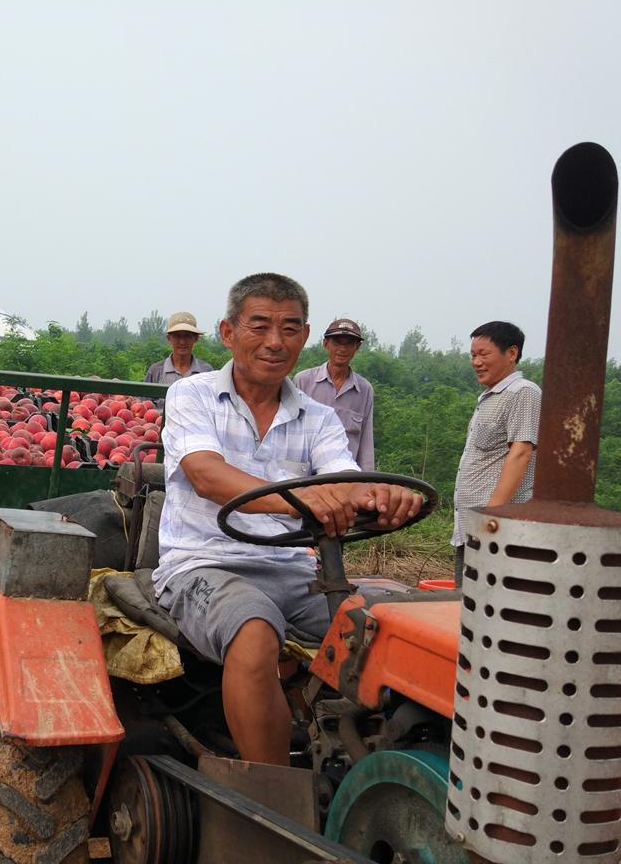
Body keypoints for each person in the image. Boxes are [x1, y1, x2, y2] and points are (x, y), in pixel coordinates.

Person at [152, 273, 423, 765]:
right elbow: (207, 475)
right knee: (255, 629)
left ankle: (385, 766)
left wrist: (381, 495)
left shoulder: (317, 417)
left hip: (296, 572)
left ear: (305, 335)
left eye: (290, 328)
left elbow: (343, 477)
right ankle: (272, 801)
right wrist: (304, 501)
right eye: (260, 326)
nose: (275, 342)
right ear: (229, 332)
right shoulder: (190, 397)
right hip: (203, 564)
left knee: (397, 628)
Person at [452, 321, 541, 587]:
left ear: (511, 353)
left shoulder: (523, 392)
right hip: (470, 530)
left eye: (484, 354)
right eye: (473, 355)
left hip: (496, 533)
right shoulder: (490, 397)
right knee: (464, 609)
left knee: (487, 609)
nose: (476, 362)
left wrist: (491, 516)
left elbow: (521, 453)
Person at [293, 318, 375, 470]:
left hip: (346, 479)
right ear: (325, 344)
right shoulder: (303, 381)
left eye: (349, 343)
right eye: (337, 342)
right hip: (306, 479)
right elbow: (290, 433)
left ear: (357, 347)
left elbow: (366, 444)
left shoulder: (364, 390)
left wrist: (367, 482)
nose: (342, 349)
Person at [143, 312, 214, 386]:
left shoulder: (206, 371)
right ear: (169, 339)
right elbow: (144, 397)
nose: (182, 342)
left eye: (187, 336)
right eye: (177, 336)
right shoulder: (156, 371)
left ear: (196, 338)